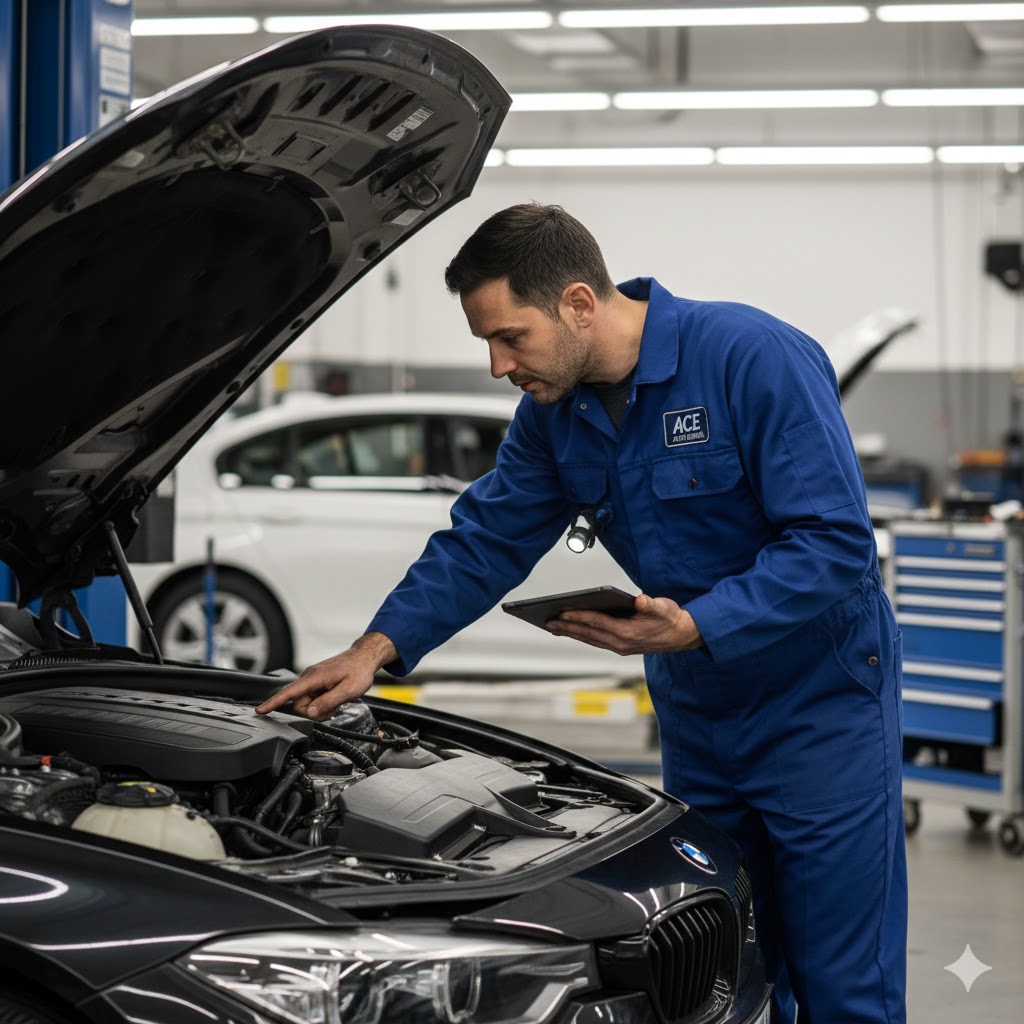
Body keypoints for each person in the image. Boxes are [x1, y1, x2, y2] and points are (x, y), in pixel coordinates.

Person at [257, 203, 907, 1023]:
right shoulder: (554, 417)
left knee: (843, 979)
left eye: (510, 338)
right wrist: (374, 650)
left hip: (821, 708)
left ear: (577, 303)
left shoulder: (753, 357)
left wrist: (698, 624)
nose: (498, 365)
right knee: (726, 967)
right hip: (700, 713)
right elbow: (484, 539)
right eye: (485, 344)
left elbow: (836, 543)